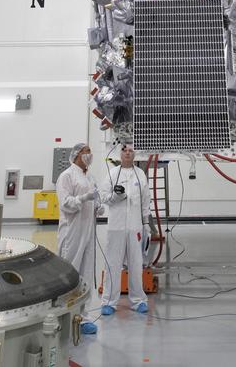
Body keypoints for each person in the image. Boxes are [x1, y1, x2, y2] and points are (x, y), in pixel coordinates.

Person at [54, 143, 101, 335]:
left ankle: (83, 317)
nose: (89, 154)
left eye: (90, 151)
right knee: (70, 271)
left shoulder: (90, 176)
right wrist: (83, 198)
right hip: (72, 231)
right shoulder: (66, 176)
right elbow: (65, 204)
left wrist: (97, 206)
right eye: (85, 151)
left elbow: (94, 199)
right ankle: (64, 315)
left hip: (88, 230)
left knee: (86, 272)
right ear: (76, 155)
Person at [100, 144, 152, 316]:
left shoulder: (140, 174)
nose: (128, 153)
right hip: (116, 226)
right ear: (120, 154)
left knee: (136, 263)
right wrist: (117, 197)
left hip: (135, 226)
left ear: (135, 154)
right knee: (113, 263)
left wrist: (146, 223)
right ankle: (109, 302)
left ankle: (138, 300)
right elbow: (104, 197)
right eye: (124, 150)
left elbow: (145, 200)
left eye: (130, 150)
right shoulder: (113, 174)